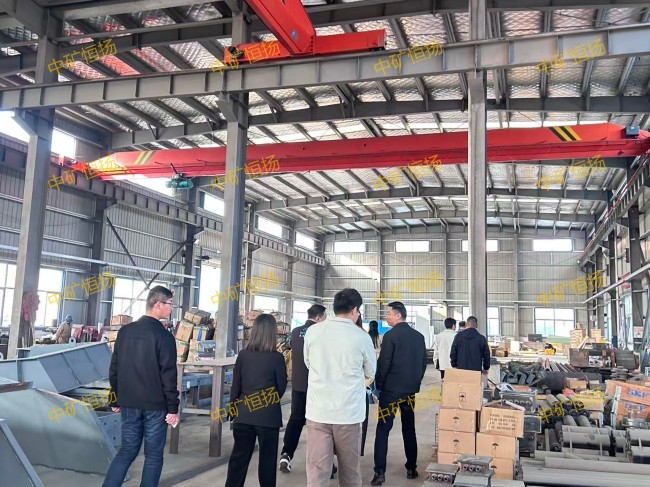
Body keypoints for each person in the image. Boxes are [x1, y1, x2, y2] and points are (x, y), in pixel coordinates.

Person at [103, 286, 180, 487]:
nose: (172, 308)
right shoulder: (164, 337)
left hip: (129, 404)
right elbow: (169, 376)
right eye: (170, 304)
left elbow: (114, 369)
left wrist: (115, 399)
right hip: (155, 406)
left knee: (127, 451)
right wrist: (173, 408)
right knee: (153, 456)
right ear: (158, 305)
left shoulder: (125, 332)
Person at [304, 288, 376, 487]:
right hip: (348, 414)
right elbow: (371, 372)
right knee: (350, 472)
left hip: (318, 412)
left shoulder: (313, 331)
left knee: (317, 473)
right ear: (354, 310)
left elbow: (308, 362)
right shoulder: (361, 337)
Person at [225, 313, 288, 487]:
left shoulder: (243, 355)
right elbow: (281, 387)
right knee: (267, 462)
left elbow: (236, 386)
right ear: (272, 333)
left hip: (244, 414)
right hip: (268, 417)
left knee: (238, 460)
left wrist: (233, 409)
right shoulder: (276, 358)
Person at [371, 302, 427, 485]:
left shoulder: (390, 336)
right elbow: (422, 364)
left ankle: (380, 472)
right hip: (409, 392)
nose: (386, 317)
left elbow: (384, 363)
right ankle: (411, 468)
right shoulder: (418, 337)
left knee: (383, 429)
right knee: (409, 428)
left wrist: (379, 386)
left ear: (398, 315)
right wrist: (415, 383)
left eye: (389, 314)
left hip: (390, 392)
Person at [279, 304, 327, 474]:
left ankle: (286, 454)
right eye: (325, 317)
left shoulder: (295, 332)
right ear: (319, 317)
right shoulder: (321, 332)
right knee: (321, 425)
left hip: (298, 385)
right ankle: (326, 462)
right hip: (318, 386)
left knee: (296, 419)